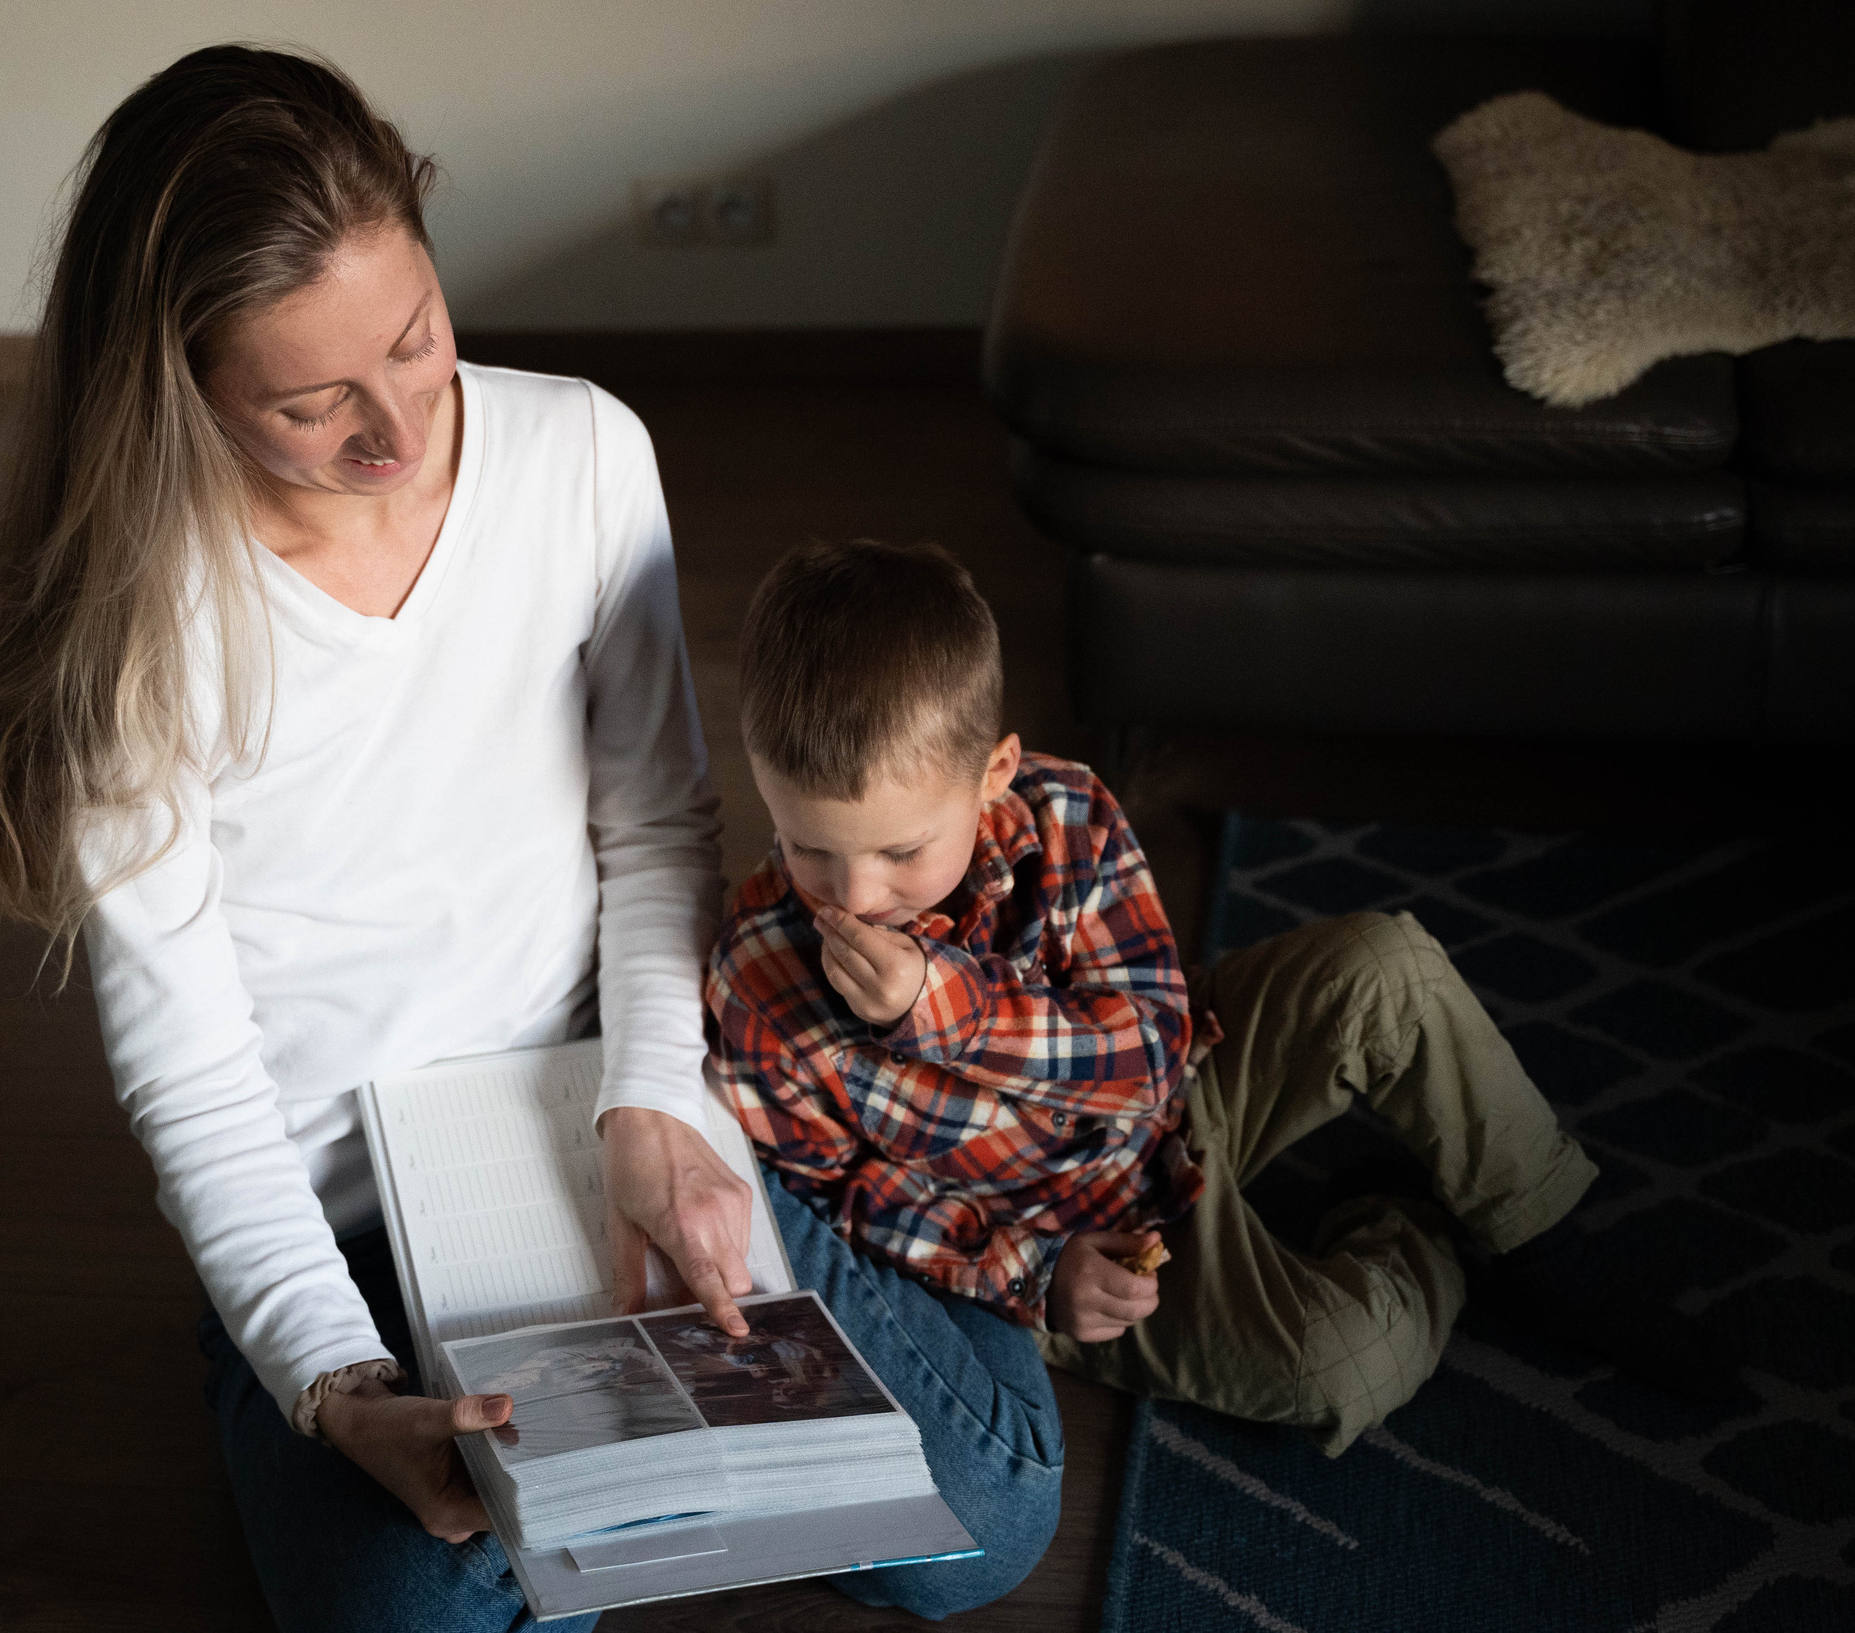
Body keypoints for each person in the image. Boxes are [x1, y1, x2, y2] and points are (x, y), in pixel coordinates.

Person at [0, 45, 755, 1633]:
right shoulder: (138, 626)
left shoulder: (584, 453)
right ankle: (263, 1375)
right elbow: (190, 1068)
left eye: (417, 340)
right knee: (445, 1598)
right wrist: (331, 1372)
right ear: (178, 385)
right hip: (350, 1208)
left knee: (987, 1518)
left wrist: (655, 1094)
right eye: (312, 405)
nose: (394, 429)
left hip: (591, 1117)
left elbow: (661, 824)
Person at [707, 539, 1735, 1468]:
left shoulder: (1063, 813)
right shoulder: (759, 978)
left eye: (899, 852)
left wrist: (957, 1016)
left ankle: (1538, 1234)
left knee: (1388, 965)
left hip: (1176, 1092)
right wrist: (1034, 1275)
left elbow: (1153, 1053)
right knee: (1345, 1365)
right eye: (808, 848)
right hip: (1074, 1242)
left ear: (993, 776)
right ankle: (1408, 1220)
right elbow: (843, 1202)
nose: (853, 896)